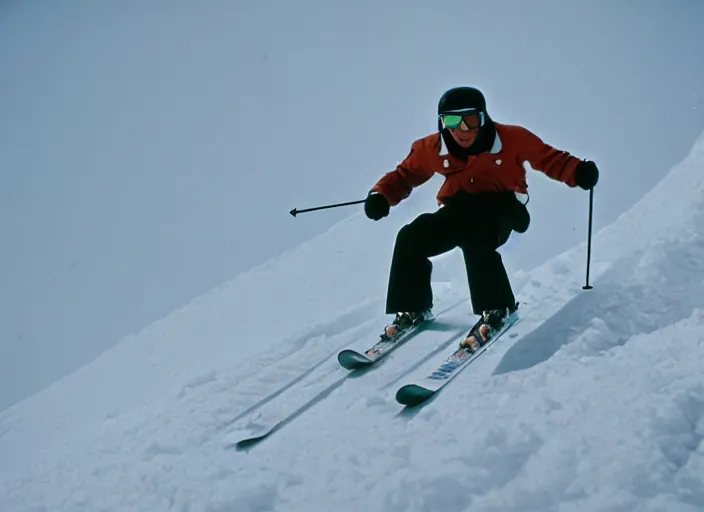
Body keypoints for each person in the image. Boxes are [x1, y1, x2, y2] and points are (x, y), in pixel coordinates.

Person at [364, 86, 599, 352]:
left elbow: (548, 159)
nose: (462, 130)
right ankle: (412, 308)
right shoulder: (433, 148)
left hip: (503, 208)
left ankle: (497, 306)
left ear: (484, 118)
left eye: (471, 120)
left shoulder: (511, 138)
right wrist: (382, 195)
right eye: (452, 121)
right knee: (410, 237)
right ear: (442, 122)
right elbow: (405, 175)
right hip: (459, 209)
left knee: (476, 235)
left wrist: (578, 171)